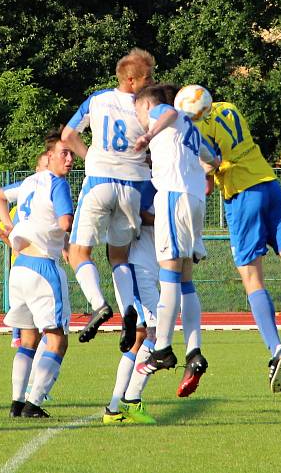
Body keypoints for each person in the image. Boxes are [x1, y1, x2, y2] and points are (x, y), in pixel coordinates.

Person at [194, 96, 281, 392]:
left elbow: (207, 178)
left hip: (242, 195)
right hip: (269, 183)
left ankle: (276, 349)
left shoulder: (195, 128)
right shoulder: (229, 106)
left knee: (252, 277)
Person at [60, 48, 175, 353]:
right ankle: (128, 310)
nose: (151, 82)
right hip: (133, 188)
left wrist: (90, 157)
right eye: (147, 77)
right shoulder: (148, 107)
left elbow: (68, 133)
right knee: (119, 257)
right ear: (130, 78)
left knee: (78, 252)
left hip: (99, 181)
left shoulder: (97, 100)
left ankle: (99, 304)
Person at [132, 85, 220, 401]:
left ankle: (164, 349)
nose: (141, 118)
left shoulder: (165, 113)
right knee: (186, 282)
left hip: (172, 197)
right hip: (194, 201)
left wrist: (148, 134)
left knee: (168, 277)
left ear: (148, 105)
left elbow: (167, 111)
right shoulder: (193, 130)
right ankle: (194, 351)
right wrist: (205, 176)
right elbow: (214, 159)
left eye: (140, 111)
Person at [0, 134, 75, 418]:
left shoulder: (28, 183)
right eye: (64, 153)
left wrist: (10, 226)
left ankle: (16, 403)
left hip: (21, 266)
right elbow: (65, 223)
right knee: (57, 339)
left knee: (28, 339)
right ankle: (33, 403)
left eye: (72, 154)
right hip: (42, 268)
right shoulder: (58, 183)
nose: (70, 159)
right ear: (48, 156)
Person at [103, 175, 159, 425]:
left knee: (140, 337)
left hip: (142, 268)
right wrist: (168, 222)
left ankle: (114, 408)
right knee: (155, 332)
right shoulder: (148, 182)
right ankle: (131, 401)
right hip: (138, 269)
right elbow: (138, 212)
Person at [0, 151, 49, 349]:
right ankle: (18, 336)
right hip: (26, 262)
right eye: (44, 166)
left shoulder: (47, 199)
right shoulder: (16, 209)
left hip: (29, 263)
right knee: (27, 312)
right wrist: (6, 234)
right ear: (36, 171)